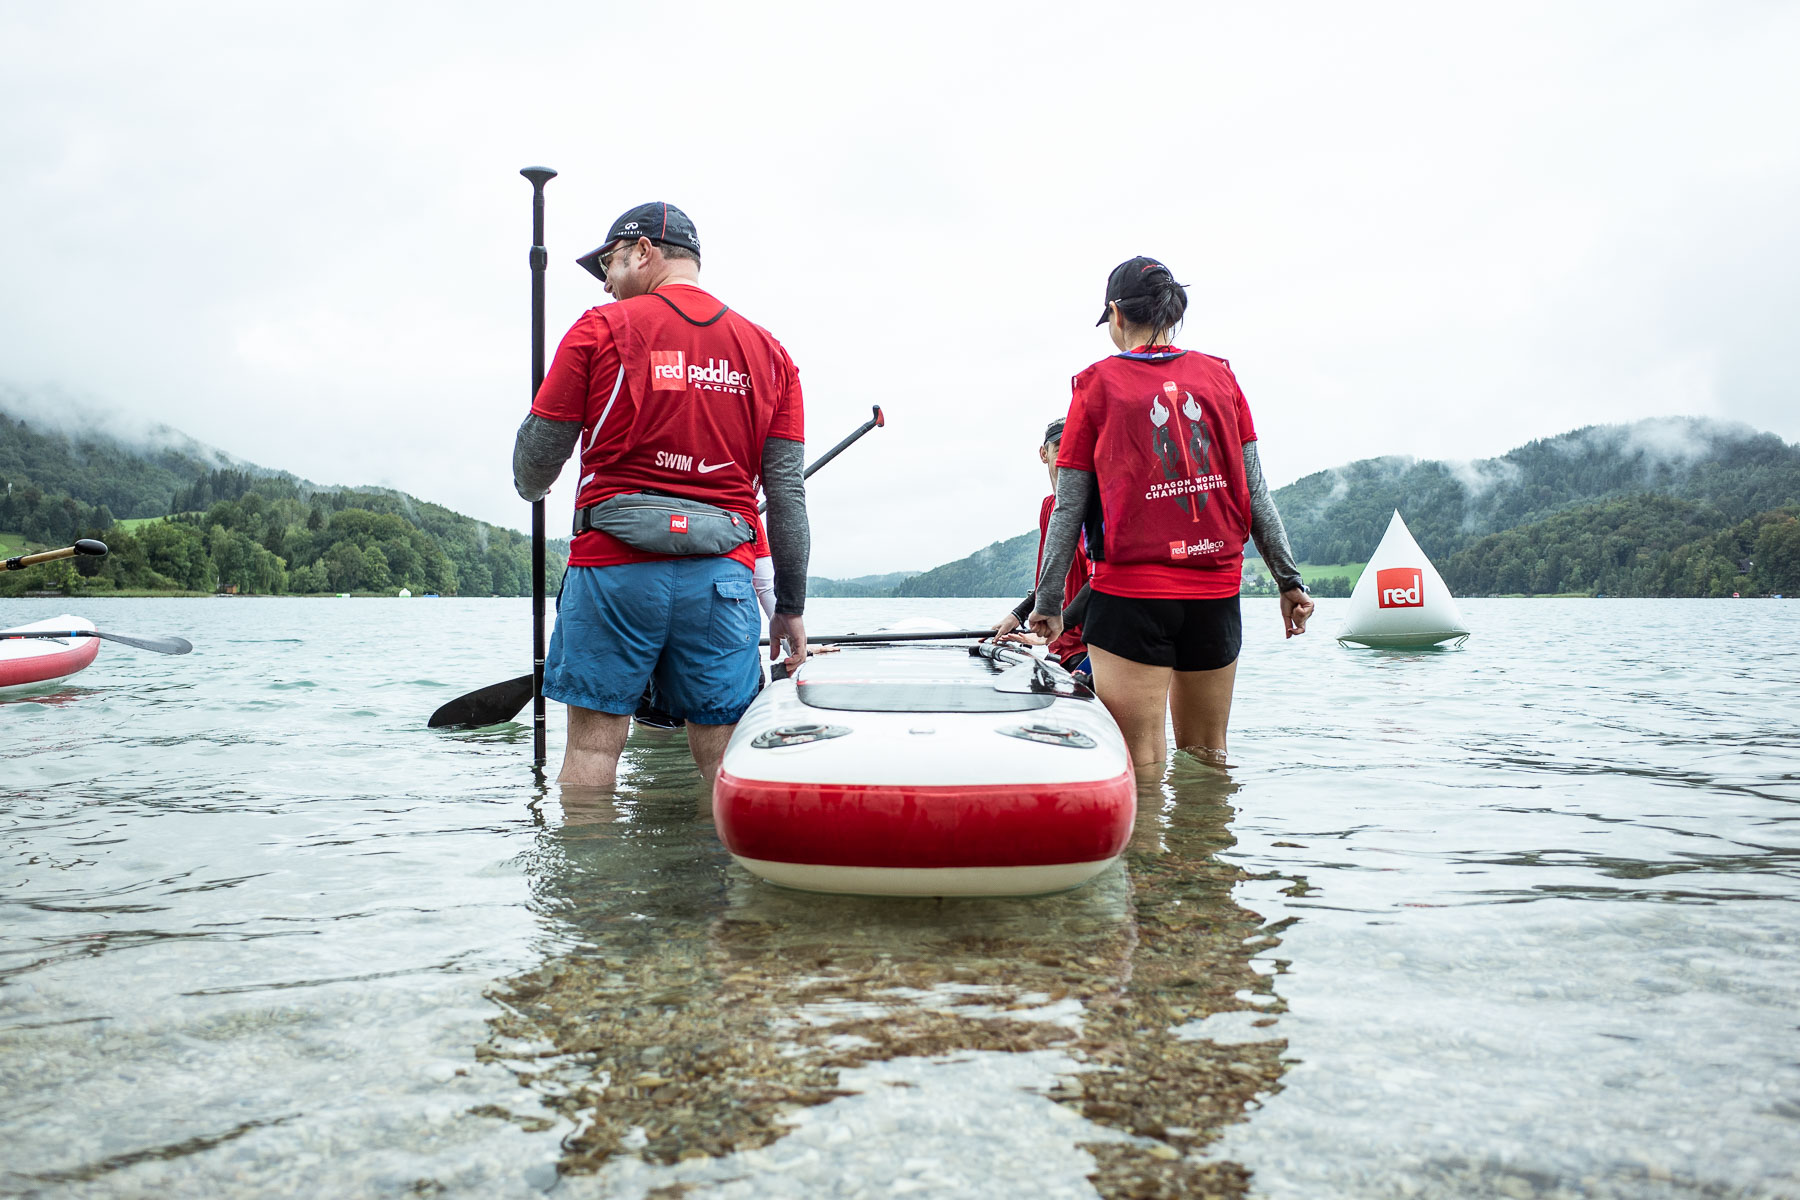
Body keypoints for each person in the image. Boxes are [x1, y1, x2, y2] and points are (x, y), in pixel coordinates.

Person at [512, 201, 809, 788]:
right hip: (722, 581)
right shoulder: (772, 354)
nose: (605, 280)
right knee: (724, 769)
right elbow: (788, 495)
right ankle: (719, 882)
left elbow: (532, 471)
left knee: (594, 755)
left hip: (613, 573)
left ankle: (587, 879)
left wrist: (531, 459)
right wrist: (791, 607)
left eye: (611, 262)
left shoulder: (599, 328)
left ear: (644, 251)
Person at [1030, 256, 1311, 772]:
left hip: (1131, 595)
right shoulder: (1221, 377)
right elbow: (1255, 491)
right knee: (1209, 756)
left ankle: (1152, 856)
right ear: (1172, 312)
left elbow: (1070, 504)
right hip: (1216, 593)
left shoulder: (1095, 385)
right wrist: (1289, 581)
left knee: (1141, 760)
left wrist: (1048, 604)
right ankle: (1205, 848)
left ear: (1116, 313)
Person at [990, 417, 1092, 677]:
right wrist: (1018, 614)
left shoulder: (1091, 511)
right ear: (1043, 454)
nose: (1068, 457)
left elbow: (1101, 579)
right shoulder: (1049, 507)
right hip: (1060, 647)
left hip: (1091, 650)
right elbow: (1052, 579)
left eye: (1075, 449)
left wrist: (1058, 626)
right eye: (1059, 448)